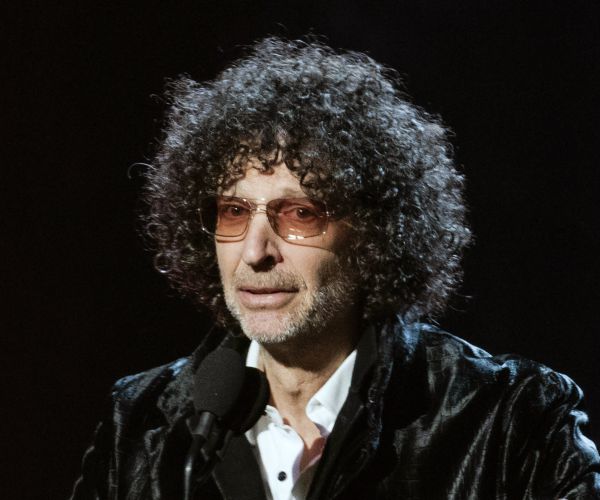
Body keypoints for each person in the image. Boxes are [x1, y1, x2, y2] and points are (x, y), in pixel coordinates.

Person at [70, 37, 600, 499]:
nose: (255, 252)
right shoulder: (140, 425)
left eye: (299, 213)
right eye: (233, 212)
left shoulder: (510, 420)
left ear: (373, 233)